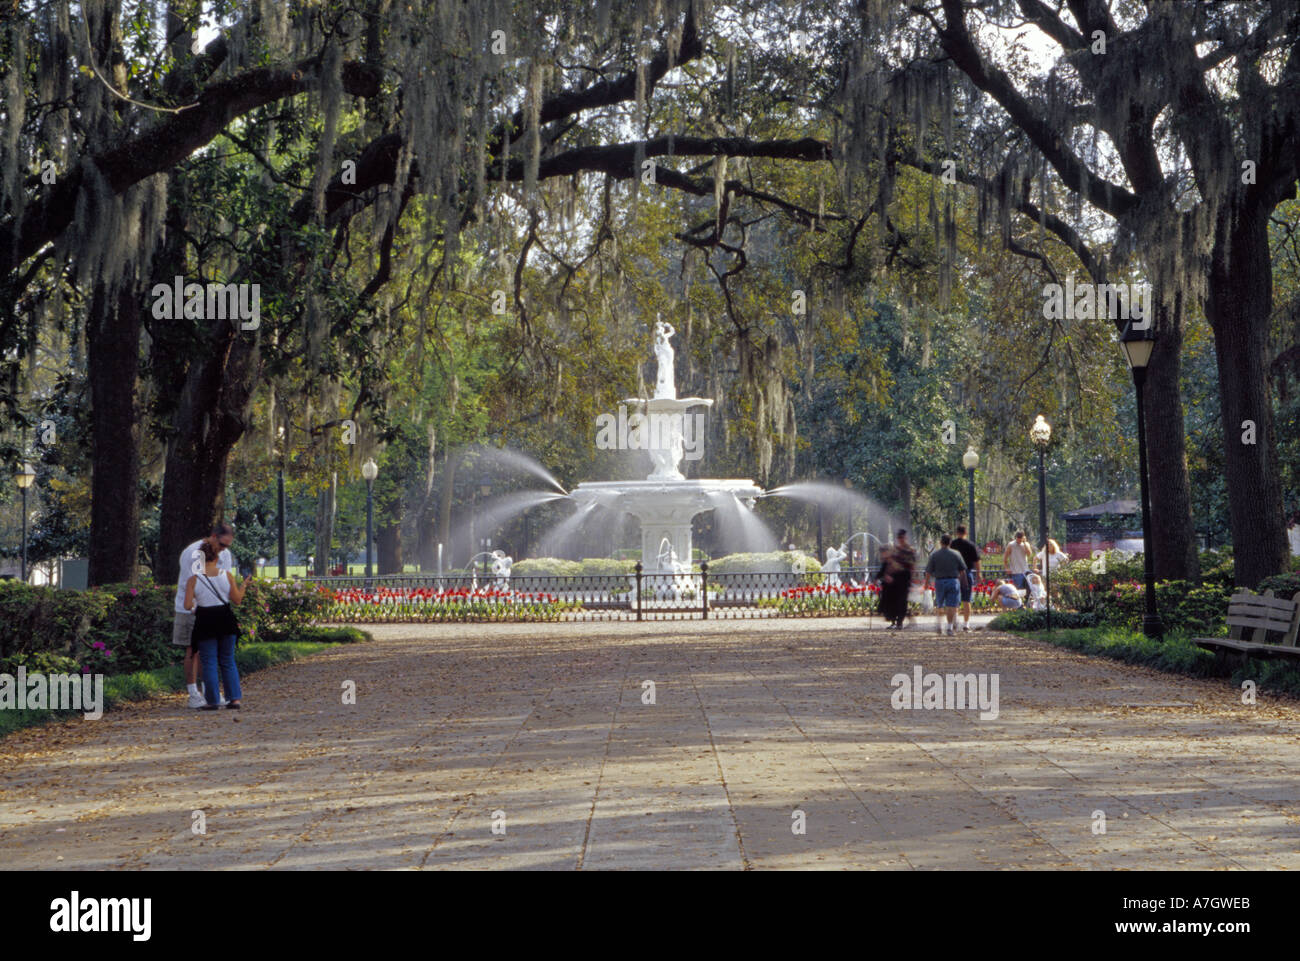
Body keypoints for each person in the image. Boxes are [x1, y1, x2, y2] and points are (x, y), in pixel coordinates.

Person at [183, 539, 252, 710]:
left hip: (205, 621)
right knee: (228, 660)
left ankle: (213, 700)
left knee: (209, 661)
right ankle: (234, 698)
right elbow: (237, 600)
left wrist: (195, 605)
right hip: (225, 619)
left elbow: (187, 605)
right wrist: (243, 585)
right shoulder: (226, 575)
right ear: (217, 557)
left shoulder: (193, 579)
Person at [174, 524, 235, 708]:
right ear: (214, 537)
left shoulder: (224, 555)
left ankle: (210, 692)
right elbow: (192, 583)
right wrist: (194, 607)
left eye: (227, 546)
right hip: (191, 608)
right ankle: (193, 693)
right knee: (192, 651)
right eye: (222, 545)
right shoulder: (194, 553)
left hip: (212, 609)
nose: (224, 550)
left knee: (208, 652)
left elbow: (224, 582)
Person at [924, 534, 968, 635]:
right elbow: (962, 571)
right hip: (953, 581)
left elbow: (928, 571)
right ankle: (949, 628)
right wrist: (964, 583)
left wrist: (926, 583)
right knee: (951, 605)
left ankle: (939, 625)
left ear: (940, 542)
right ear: (950, 543)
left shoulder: (934, 555)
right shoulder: (956, 554)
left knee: (940, 604)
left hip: (939, 581)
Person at [877, 530, 916, 629]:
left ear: (905, 538)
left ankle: (900, 622)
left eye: (902, 537)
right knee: (893, 600)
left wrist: (912, 579)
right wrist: (886, 574)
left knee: (902, 601)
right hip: (894, 578)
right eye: (899, 538)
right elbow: (889, 562)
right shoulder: (894, 549)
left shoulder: (910, 550)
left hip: (905, 577)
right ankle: (894, 621)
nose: (901, 540)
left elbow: (912, 566)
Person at [950, 524, 982, 632]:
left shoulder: (952, 544)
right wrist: (978, 574)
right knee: (966, 599)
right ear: (966, 533)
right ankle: (966, 624)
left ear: (957, 532)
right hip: (967, 573)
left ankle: (954, 622)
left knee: (954, 599)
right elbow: (977, 561)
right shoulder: (970, 545)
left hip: (955, 574)